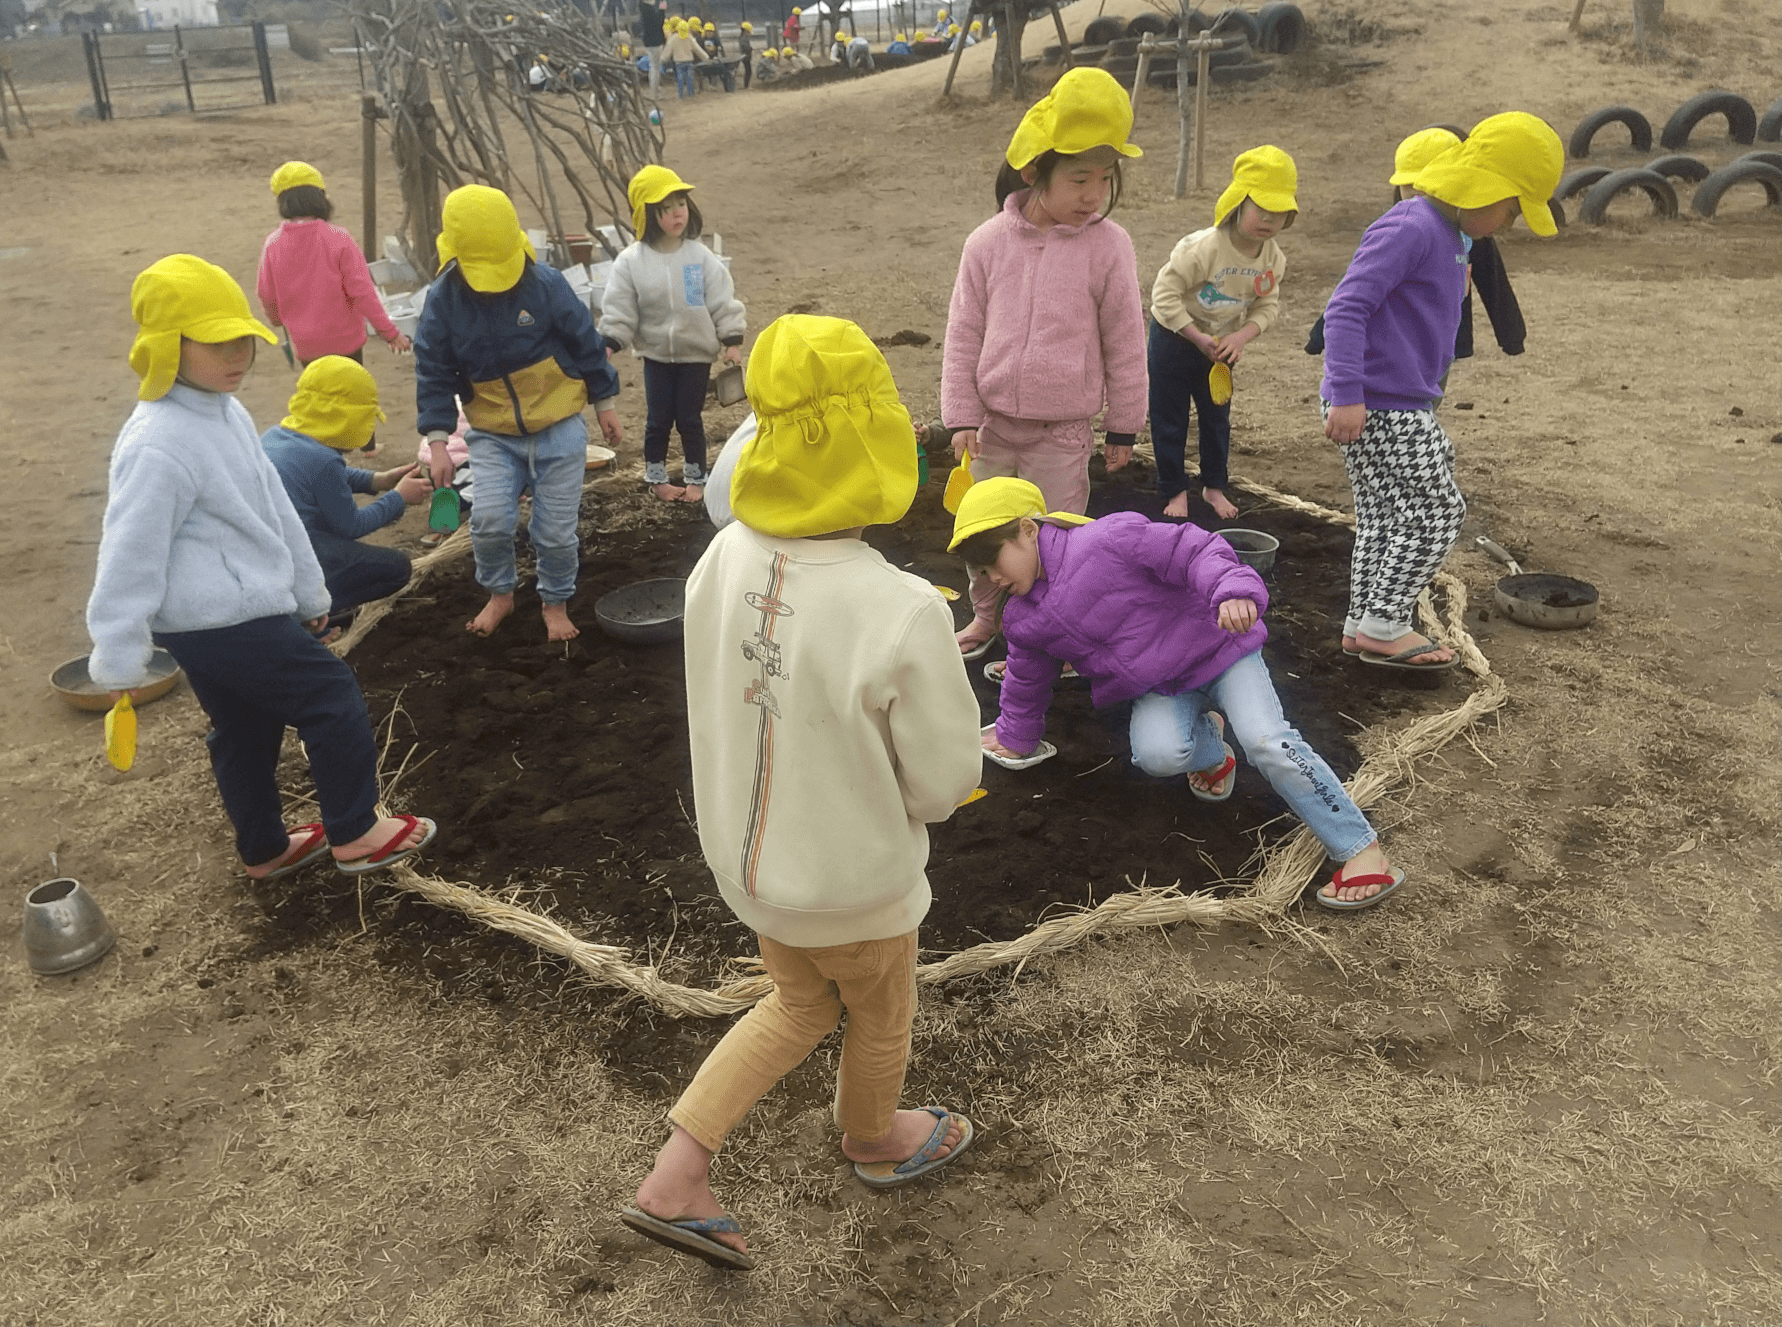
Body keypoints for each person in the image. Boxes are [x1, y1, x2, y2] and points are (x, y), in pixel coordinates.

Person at [620, 314, 982, 1272]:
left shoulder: (722, 558)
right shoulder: (900, 608)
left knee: (796, 1001)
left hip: (754, 864)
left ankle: (679, 1169)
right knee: (878, 1009)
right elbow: (946, 782)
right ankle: (873, 1136)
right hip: (857, 880)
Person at [87, 254, 436, 881]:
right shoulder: (158, 442)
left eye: (243, 338)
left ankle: (264, 848)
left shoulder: (224, 412)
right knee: (330, 698)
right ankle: (356, 831)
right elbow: (130, 548)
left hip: (238, 607)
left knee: (244, 728)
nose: (239, 355)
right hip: (220, 616)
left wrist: (309, 593)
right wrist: (118, 653)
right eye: (218, 343)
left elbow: (273, 510)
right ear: (168, 346)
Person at [948, 477, 1406, 909]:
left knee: (1266, 740)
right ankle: (1213, 752)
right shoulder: (1025, 620)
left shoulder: (1108, 539)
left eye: (995, 561)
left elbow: (1194, 549)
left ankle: (1360, 849)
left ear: (1028, 530)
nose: (993, 579)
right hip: (1163, 685)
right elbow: (1026, 682)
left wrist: (1231, 589)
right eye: (982, 571)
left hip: (1223, 653)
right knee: (1157, 755)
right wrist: (1014, 735)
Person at [1320, 112, 1562, 670]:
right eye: (1511, 208)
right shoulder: (1411, 227)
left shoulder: (1450, 234)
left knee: (1384, 514)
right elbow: (1346, 308)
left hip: (1393, 398)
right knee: (1437, 511)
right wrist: (1347, 392)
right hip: (1378, 402)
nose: (1507, 222)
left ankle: (1364, 623)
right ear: (1489, 189)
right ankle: (1385, 623)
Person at [939, 66, 1148, 659]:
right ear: (1035, 172)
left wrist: (1123, 424)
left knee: (1054, 540)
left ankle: (1046, 640)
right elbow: (963, 333)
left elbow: (1125, 340)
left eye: (1104, 180)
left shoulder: (1110, 247)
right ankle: (988, 620)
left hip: (1062, 432)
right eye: (1079, 179)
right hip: (992, 429)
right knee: (983, 535)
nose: (1093, 196)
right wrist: (960, 416)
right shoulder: (986, 243)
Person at [414, 185, 624, 642]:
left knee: (554, 531)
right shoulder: (442, 300)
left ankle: (555, 600)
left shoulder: (545, 284)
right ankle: (501, 594)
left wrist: (604, 404)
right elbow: (432, 369)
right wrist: (436, 441)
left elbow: (586, 344)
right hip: (491, 433)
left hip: (560, 427)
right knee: (489, 520)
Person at [1304, 126, 1528, 389]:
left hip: (1441, 341)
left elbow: (1494, 281)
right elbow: (1355, 289)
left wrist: (1512, 338)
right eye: (1407, 187)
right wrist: (1319, 337)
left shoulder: (1472, 230)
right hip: (1396, 344)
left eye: (1422, 185)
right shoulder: (1403, 231)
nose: (1415, 195)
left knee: (1431, 394)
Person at [1148, 145, 1297, 522]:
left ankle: (1213, 485)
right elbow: (1163, 294)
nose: (1268, 219)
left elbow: (1267, 306)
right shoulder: (1204, 248)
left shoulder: (1272, 258)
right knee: (1170, 417)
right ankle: (1175, 490)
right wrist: (1196, 336)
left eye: (1279, 213)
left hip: (1221, 350)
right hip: (1175, 338)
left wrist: (1241, 337)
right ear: (1237, 204)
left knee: (1217, 418)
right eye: (1260, 208)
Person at [601, 165, 747, 502]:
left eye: (679, 204)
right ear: (647, 216)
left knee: (690, 419)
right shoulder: (631, 262)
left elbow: (719, 300)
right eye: (664, 210)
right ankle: (657, 478)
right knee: (658, 420)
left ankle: (696, 479)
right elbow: (621, 308)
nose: (675, 214)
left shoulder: (698, 259)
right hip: (655, 357)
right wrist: (610, 342)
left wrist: (732, 340)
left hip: (695, 355)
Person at [261, 356, 431, 629]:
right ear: (347, 419)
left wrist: (378, 481)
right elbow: (351, 526)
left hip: (269, 550)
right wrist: (398, 498)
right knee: (397, 569)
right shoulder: (324, 460)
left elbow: (325, 477)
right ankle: (312, 614)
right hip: (302, 552)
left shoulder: (277, 435)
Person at [255, 161, 411, 370]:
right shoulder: (338, 238)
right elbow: (363, 292)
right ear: (320, 197)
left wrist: (277, 320)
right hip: (346, 343)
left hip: (306, 345)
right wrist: (389, 333)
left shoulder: (272, 244)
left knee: (319, 395)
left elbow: (266, 294)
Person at [636, 0, 668, 99]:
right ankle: (654, 92)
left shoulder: (643, 9)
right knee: (655, 67)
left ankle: (655, 88)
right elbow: (658, 24)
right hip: (654, 42)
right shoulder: (648, 10)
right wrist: (662, 11)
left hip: (648, 41)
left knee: (654, 66)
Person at [664, 19, 701, 99]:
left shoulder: (673, 38)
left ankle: (681, 95)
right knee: (689, 77)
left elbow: (668, 49)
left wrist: (663, 58)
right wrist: (706, 57)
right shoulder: (689, 37)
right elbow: (697, 49)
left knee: (680, 78)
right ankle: (690, 94)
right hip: (689, 61)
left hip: (678, 62)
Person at [736, 21, 754, 87]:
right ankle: (746, 86)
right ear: (745, 31)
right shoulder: (743, 38)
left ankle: (746, 85)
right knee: (748, 71)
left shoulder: (742, 37)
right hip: (745, 57)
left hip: (746, 57)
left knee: (748, 71)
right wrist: (750, 48)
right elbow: (746, 47)